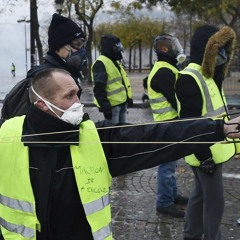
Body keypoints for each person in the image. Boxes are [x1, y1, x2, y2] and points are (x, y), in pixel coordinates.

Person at [1, 68, 240, 240]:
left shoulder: (94, 137)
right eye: (69, 96)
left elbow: (154, 135)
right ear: (42, 104)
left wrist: (218, 129)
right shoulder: (6, 136)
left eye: (77, 93)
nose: (78, 102)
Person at [175, 25, 237, 239]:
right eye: (218, 48)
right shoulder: (190, 77)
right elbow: (189, 123)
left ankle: (190, 234)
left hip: (212, 149)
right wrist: (205, 157)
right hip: (205, 152)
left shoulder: (209, 73)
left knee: (200, 195)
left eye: (224, 49)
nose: (222, 54)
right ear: (207, 49)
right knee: (214, 203)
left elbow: (218, 113)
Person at [147, 33, 188, 217]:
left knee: (171, 163)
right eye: (172, 45)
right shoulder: (164, 71)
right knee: (167, 165)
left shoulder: (166, 68)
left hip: (168, 123)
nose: (176, 48)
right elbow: (176, 99)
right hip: (167, 125)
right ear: (164, 49)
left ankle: (172, 194)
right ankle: (164, 202)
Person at [91, 34, 133, 126]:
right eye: (116, 47)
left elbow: (122, 82)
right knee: (112, 134)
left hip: (121, 104)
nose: (118, 49)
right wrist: (105, 106)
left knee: (122, 132)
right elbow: (99, 88)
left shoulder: (114, 61)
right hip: (112, 107)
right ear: (110, 48)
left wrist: (128, 98)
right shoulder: (101, 63)